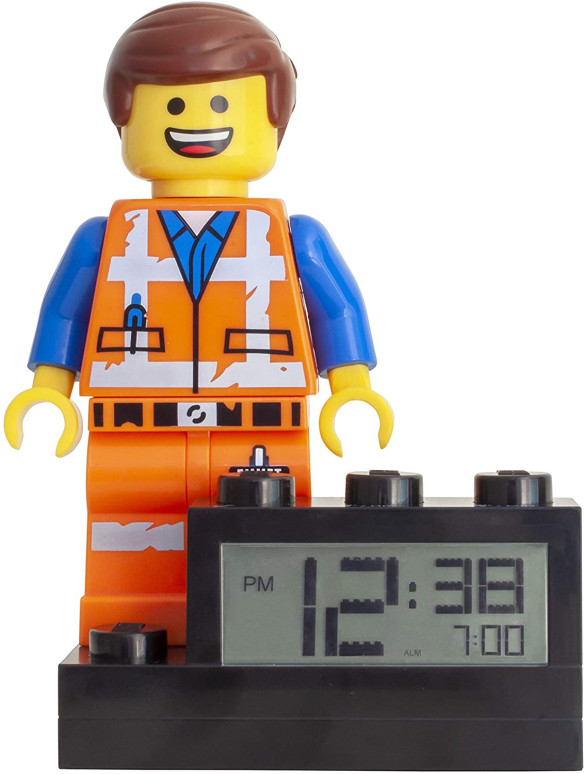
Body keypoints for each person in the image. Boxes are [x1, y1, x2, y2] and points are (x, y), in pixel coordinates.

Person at [4, 3, 393, 645]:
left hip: (261, 423)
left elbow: (336, 308)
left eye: (219, 105)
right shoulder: (105, 238)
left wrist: (352, 387)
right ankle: (127, 627)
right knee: (127, 523)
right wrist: (49, 389)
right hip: (135, 424)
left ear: (272, 123)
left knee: (266, 533)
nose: (196, 123)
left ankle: (264, 627)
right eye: (173, 106)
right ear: (125, 121)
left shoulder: (293, 236)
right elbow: (66, 310)